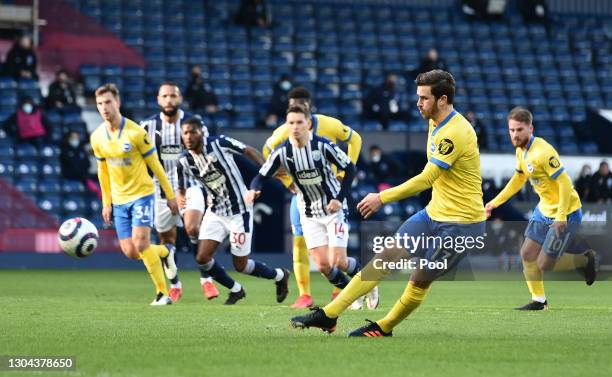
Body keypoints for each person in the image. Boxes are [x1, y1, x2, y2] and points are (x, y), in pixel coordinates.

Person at [290, 70, 486, 337]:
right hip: (433, 214)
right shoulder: (435, 121)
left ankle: (385, 327)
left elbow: (427, 179)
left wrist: (381, 197)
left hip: (462, 225)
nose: (418, 103)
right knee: (383, 259)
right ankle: (329, 315)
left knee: (419, 278)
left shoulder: (455, 132)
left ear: (442, 100)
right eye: (418, 97)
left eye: (424, 98)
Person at [262, 87, 375, 310]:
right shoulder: (288, 130)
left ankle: (341, 290)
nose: (295, 123)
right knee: (300, 243)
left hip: (330, 194)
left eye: (301, 110)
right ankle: (305, 294)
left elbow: (356, 139)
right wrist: (287, 182)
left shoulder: (328, 124)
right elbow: (268, 152)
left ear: (309, 109)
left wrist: (343, 172)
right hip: (304, 197)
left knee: (336, 255)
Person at [485, 107, 597, 310]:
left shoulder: (543, 152)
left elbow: (564, 183)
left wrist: (561, 216)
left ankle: (584, 259)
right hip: (543, 210)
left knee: (545, 264)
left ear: (530, 128)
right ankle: (539, 301)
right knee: (527, 254)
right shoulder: (521, 151)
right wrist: (495, 202)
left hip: (567, 211)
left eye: (519, 130)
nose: (515, 134)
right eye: (511, 130)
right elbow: (518, 179)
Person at [177, 117, 290, 305]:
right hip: (215, 212)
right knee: (202, 258)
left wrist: (265, 170)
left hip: (240, 211)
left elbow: (248, 150)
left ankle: (279, 275)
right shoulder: (184, 161)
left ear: (201, 133)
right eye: (185, 133)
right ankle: (236, 290)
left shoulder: (219, 142)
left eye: (193, 132)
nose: (189, 136)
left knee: (241, 265)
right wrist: (181, 196)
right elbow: (180, 183)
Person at [90, 83, 179, 306]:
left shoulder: (136, 132)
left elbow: (156, 165)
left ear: (117, 103)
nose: (104, 107)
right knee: (131, 252)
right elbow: (102, 171)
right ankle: (165, 252)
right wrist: (106, 202)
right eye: (100, 103)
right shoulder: (97, 138)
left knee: (141, 243)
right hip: (119, 201)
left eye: (108, 102)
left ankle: (162, 293)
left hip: (142, 194)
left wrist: (169, 195)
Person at [140, 82, 219, 303]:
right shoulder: (146, 126)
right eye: (164, 96)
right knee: (166, 239)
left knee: (193, 228)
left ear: (180, 98)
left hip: (190, 184)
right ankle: (175, 284)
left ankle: (206, 280)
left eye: (172, 96)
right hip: (158, 188)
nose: (168, 100)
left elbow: (206, 153)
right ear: (158, 99)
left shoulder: (194, 123)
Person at [59, 130, 101, 198]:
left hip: (83, 173)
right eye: (73, 138)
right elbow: (70, 164)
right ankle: (96, 190)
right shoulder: (65, 150)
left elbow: (87, 163)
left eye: (77, 138)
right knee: (85, 176)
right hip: (71, 174)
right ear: (68, 138)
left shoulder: (81, 149)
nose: (75, 140)